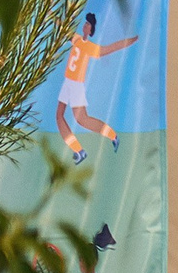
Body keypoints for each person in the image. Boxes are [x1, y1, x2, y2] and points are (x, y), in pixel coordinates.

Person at [56, 13, 136, 163]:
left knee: (82, 120)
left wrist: (129, 41)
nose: (85, 25)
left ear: (91, 30)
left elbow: (110, 48)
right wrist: (50, 14)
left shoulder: (90, 47)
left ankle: (112, 135)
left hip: (75, 85)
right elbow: (63, 28)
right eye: (85, 23)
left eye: (88, 25)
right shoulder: (77, 39)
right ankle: (79, 150)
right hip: (67, 82)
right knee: (59, 116)